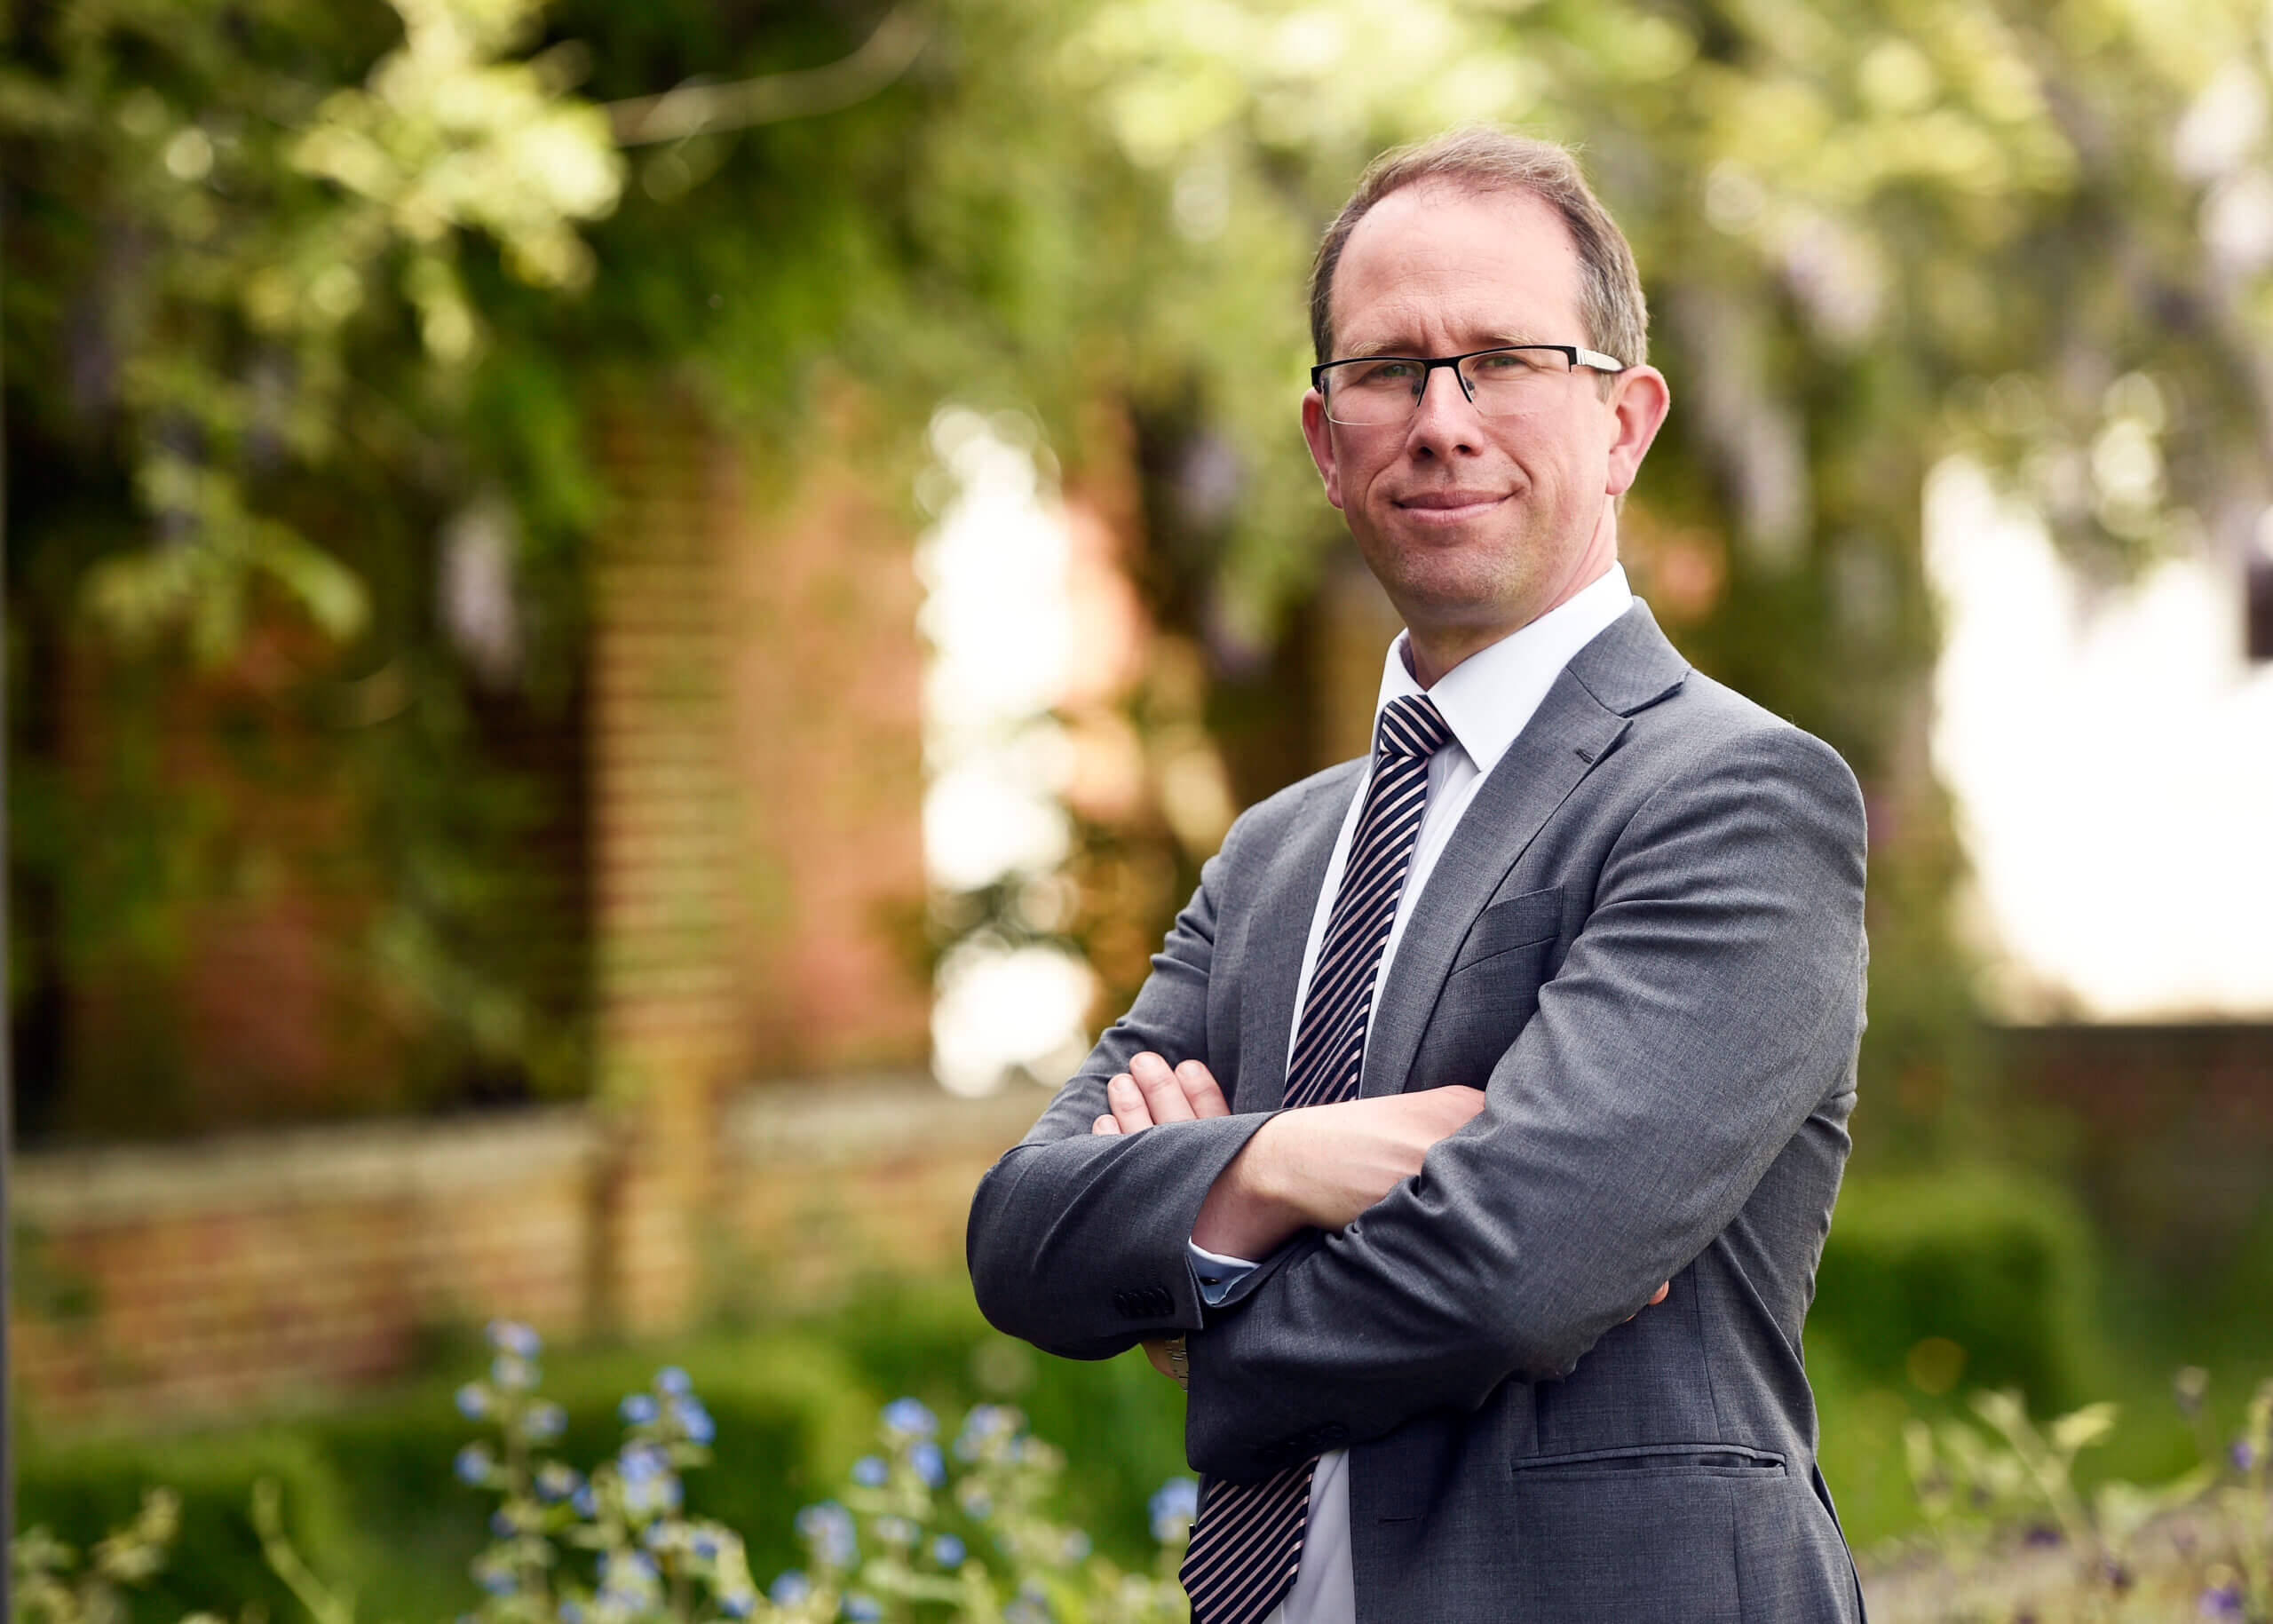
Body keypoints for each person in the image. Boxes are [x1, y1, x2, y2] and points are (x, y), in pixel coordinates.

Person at [966, 125, 1869, 1624]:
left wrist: (1198, 1300)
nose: (1441, 419)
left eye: (1504, 359)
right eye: (1388, 370)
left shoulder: (1731, 797)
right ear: (1327, 445)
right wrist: (1285, 1163)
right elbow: (1026, 1234)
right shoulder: (1275, 855)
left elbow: (1512, 1268)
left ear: (1626, 421)